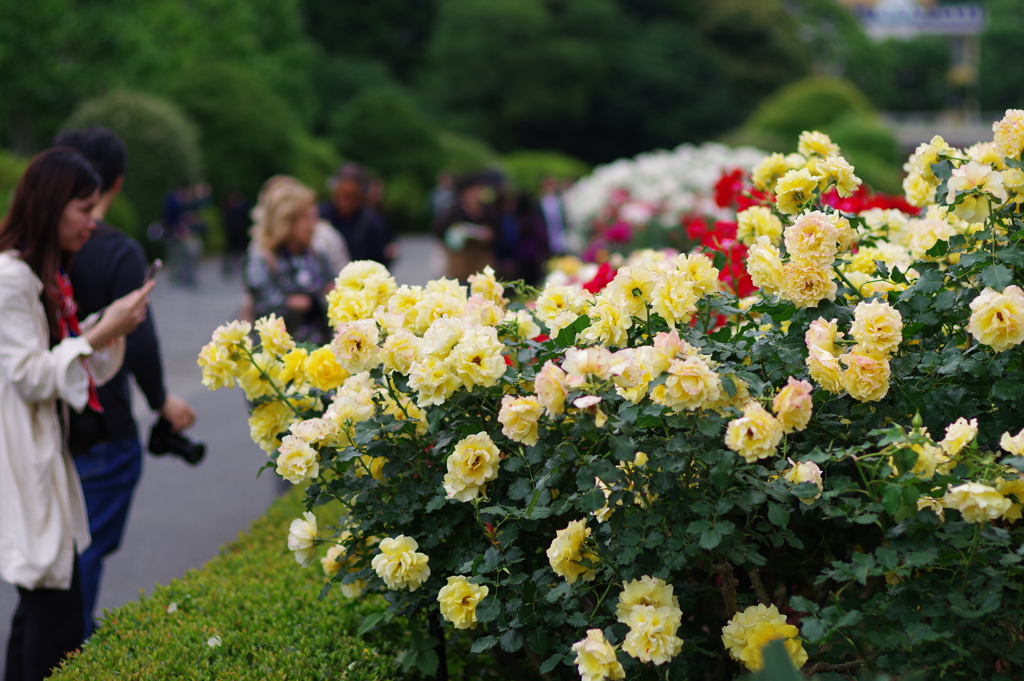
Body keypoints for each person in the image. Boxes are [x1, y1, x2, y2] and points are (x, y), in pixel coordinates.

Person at [0, 148, 152, 681]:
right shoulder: (12, 277)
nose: (94, 221)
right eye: (84, 209)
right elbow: (32, 374)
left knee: (44, 607)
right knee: (53, 613)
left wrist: (109, 330)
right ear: (52, 205)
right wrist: (100, 331)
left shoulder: (38, 273)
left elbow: (65, 363)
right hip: (24, 458)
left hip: (42, 457)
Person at [51, 127, 197, 639]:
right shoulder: (115, 250)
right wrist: (161, 402)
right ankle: (68, 655)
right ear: (114, 183)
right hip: (100, 425)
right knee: (82, 554)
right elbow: (139, 341)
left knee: (54, 558)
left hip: (44, 426)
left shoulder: (25, 249)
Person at [245, 180, 334, 345]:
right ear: (287, 222)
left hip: (320, 359)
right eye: (307, 218)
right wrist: (307, 302)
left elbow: (335, 297)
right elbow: (265, 307)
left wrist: (307, 302)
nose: (313, 225)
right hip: (277, 360)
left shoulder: (318, 256)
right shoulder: (263, 259)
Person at [320, 163, 396, 266]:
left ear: (361, 195)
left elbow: (383, 261)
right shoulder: (320, 215)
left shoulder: (374, 222)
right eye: (341, 196)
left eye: (350, 197)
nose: (344, 202)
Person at [432, 173, 499, 282]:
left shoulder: (489, 212)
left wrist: (488, 235)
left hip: (482, 263)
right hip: (460, 265)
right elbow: (438, 231)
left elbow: (499, 234)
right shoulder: (454, 212)